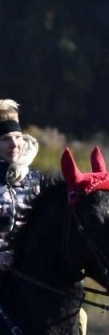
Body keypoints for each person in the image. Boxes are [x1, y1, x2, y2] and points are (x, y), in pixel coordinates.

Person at [0, 99, 43, 275]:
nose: (14, 144)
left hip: (30, 274)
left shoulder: (36, 180)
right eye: (5, 139)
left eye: (17, 137)